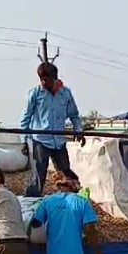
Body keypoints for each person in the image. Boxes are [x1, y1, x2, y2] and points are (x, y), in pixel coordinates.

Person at [20, 62, 84, 196]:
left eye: (46, 79)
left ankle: (69, 201)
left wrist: (78, 130)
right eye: (41, 79)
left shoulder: (65, 94)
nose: (43, 82)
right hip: (40, 140)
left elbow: (74, 115)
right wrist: (24, 141)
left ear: (55, 78)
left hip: (59, 141)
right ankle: (31, 204)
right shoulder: (35, 94)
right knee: (38, 176)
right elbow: (25, 118)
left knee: (66, 174)